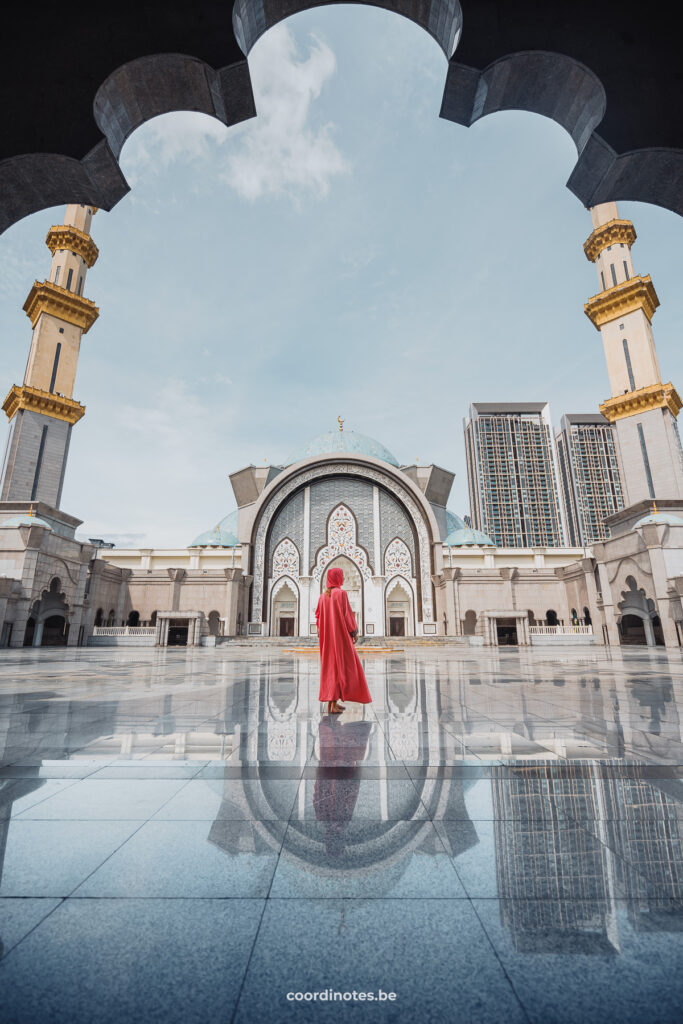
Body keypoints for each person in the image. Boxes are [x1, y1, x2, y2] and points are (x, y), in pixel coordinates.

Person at [315, 567, 372, 713]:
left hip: (327, 638)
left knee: (331, 666)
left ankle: (332, 702)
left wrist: (322, 632)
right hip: (340, 637)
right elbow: (347, 615)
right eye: (341, 576)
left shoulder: (323, 597)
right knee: (346, 666)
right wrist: (354, 632)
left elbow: (318, 617)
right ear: (337, 578)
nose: (343, 578)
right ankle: (333, 704)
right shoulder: (341, 594)